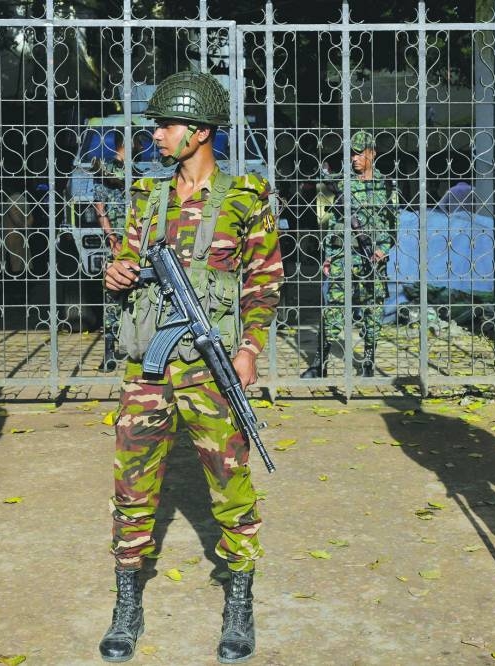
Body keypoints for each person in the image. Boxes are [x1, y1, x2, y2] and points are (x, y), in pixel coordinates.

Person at [99, 70, 283, 663]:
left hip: (212, 365)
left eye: (166, 125)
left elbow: (264, 285)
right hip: (149, 370)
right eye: (155, 124)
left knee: (230, 482)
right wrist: (117, 274)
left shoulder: (246, 198)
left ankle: (240, 598)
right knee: (133, 482)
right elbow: (123, 265)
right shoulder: (146, 198)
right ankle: (127, 602)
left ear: (199, 132)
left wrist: (250, 348)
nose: (155, 134)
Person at [301, 130, 395, 378]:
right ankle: (319, 364)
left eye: (359, 153)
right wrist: (329, 255)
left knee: (372, 310)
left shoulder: (385, 185)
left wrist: (382, 250)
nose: (354, 159)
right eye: (352, 154)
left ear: (372, 154)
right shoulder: (342, 184)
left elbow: (393, 224)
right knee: (332, 308)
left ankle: (368, 362)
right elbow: (333, 223)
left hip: (372, 257)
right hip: (344, 255)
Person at [93, 132, 129, 371]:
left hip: (135, 240)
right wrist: (112, 239)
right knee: (113, 294)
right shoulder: (103, 168)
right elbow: (100, 207)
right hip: (117, 240)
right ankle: (109, 351)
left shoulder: (137, 170)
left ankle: (134, 347)